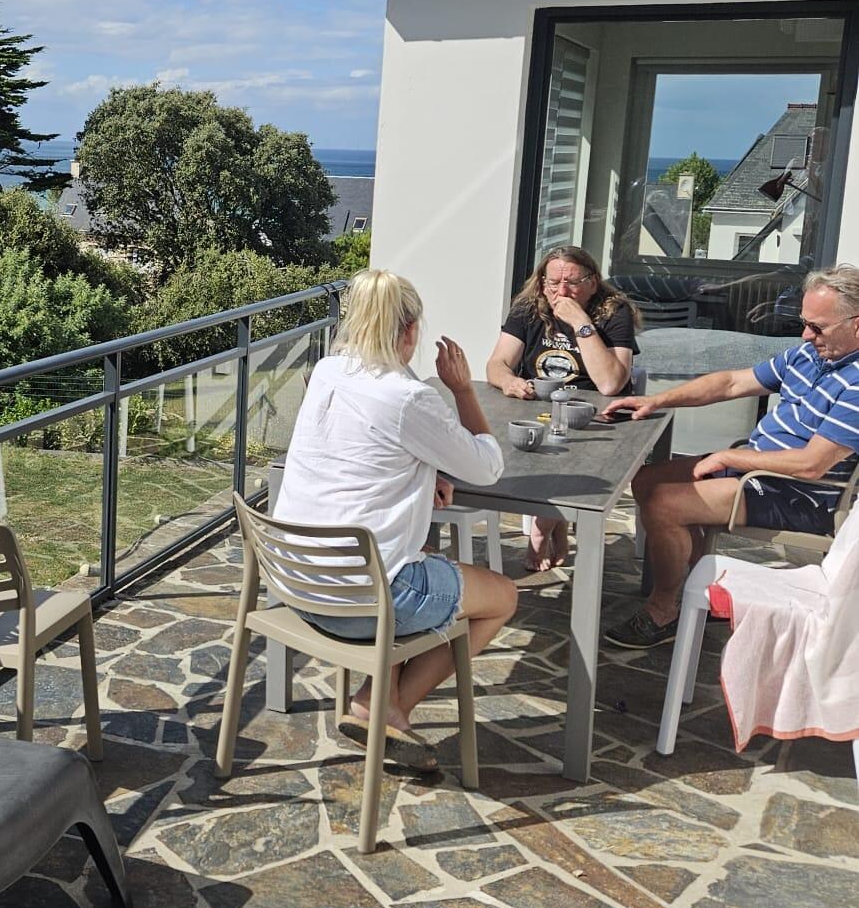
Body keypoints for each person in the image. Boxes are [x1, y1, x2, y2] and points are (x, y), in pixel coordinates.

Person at [276, 269, 517, 766]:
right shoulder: (411, 398)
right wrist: (462, 391)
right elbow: (487, 467)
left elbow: (360, 454)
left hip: (298, 583)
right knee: (502, 597)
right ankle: (384, 709)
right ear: (409, 331)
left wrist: (426, 472)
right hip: (364, 603)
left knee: (409, 556)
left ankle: (380, 700)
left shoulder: (327, 372)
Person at [602, 263, 859, 649]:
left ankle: (664, 609)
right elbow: (732, 381)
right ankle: (696, 587)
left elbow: (812, 464)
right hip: (760, 470)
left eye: (817, 327)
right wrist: (656, 399)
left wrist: (731, 458)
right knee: (645, 480)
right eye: (804, 323)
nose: (807, 335)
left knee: (664, 504)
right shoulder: (810, 355)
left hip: (802, 495)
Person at [486, 245, 638, 570]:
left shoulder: (614, 312)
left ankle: (544, 525)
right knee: (531, 447)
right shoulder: (529, 308)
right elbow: (497, 363)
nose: (561, 291)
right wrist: (508, 381)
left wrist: (582, 323)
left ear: (593, 283)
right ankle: (552, 522)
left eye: (572, 282)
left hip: (593, 416)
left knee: (573, 453)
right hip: (536, 410)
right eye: (553, 282)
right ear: (542, 283)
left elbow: (610, 383)